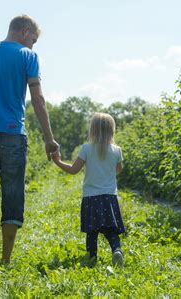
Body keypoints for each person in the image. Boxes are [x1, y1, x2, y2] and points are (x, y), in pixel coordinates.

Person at [0, 14, 59, 267]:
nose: (33, 45)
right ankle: (6, 259)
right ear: (24, 31)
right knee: (13, 195)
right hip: (13, 135)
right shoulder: (27, 57)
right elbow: (37, 99)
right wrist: (49, 138)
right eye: (34, 39)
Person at [51, 113, 125, 266]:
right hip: (110, 197)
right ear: (112, 130)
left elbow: (73, 170)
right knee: (111, 230)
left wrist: (57, 161)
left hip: (91, 197)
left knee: (92, 231)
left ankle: (92, 259)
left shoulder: (86, 149)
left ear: (93, 130)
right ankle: (117, 250)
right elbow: (118, 170)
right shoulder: (117, 150)